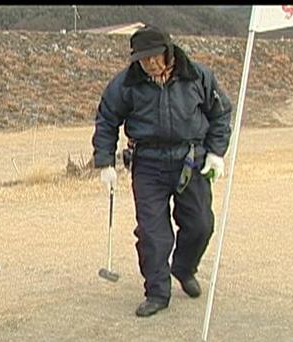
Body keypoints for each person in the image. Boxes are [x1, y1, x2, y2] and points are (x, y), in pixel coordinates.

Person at [91, 25, 232, 317]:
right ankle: (157, 291)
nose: (151, 63)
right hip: (148, 163)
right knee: (153, 233)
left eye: (155, 56)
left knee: (201, 224)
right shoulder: (126, 84)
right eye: (144, 59)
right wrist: (104, 161)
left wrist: (216, 153)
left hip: (190, 159)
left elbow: (220, 114)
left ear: (168, 51)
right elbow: (106, 119)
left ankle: (183, 267)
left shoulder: (197, 76)